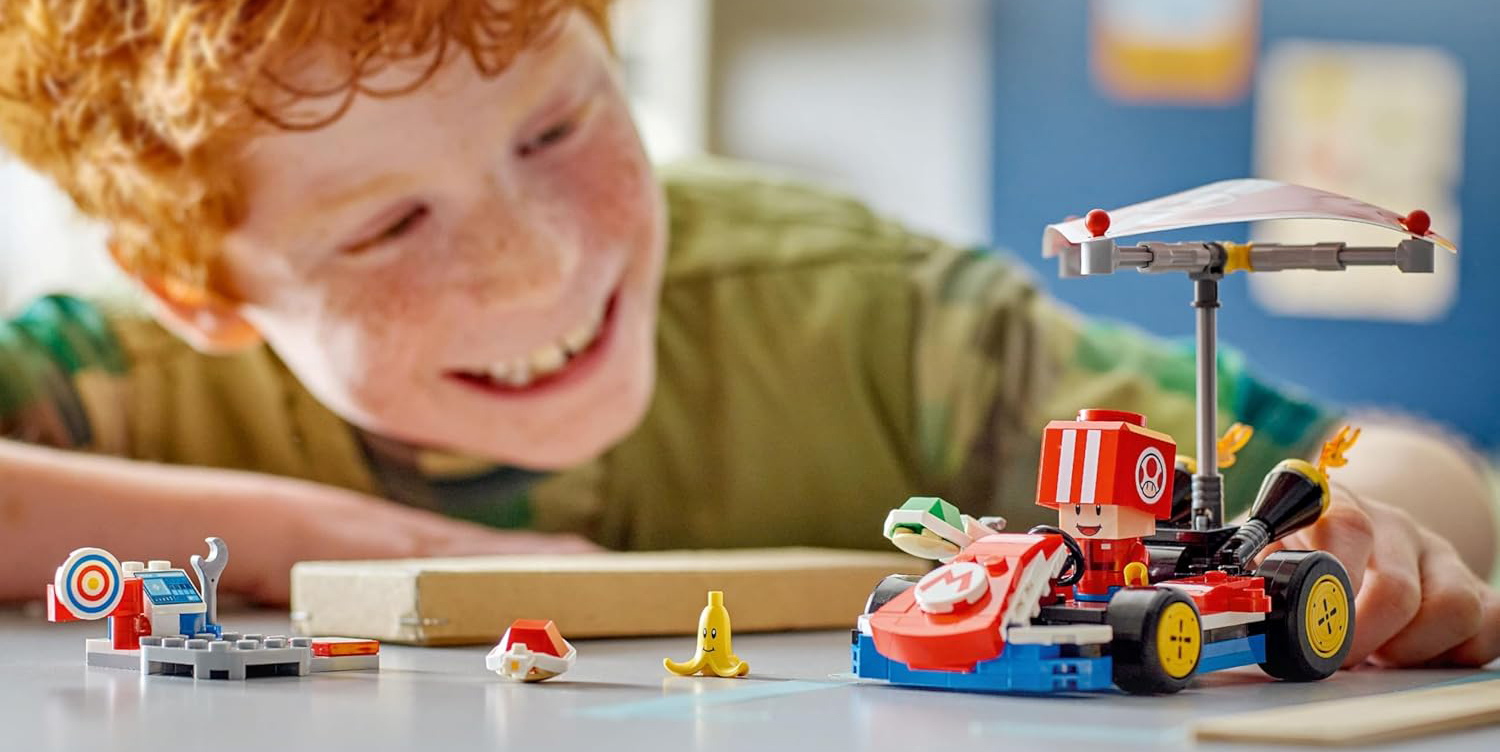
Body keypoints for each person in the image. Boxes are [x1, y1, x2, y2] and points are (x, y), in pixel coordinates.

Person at [0, 0, 1494, 668]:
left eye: (560, 125)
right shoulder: (110, 380)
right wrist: (313, 537)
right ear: (193, 290)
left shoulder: (863, 316)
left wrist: (1377, 536)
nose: (540, 270)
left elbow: (1421, 473)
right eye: (388, 228)